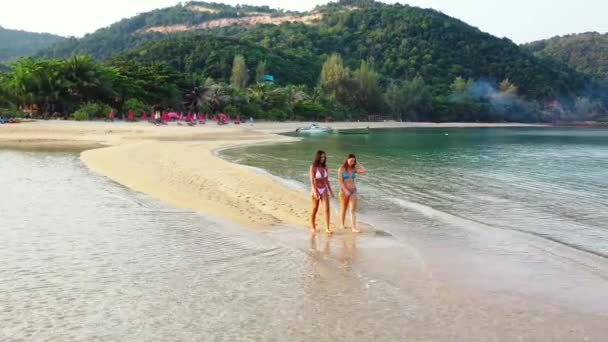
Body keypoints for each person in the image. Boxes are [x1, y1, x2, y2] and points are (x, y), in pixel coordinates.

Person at [338, 154, 367, 233]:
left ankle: (353, 227)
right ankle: (342, 224)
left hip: (353, 191)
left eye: (353, 161)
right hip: (344, 191)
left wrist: (358, 162)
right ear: (347, 160)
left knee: (352, 210)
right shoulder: (342, 169)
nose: (352, 162)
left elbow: (364, 170)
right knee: (344, 208)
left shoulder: (354, 169)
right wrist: (346, 190)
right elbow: (340, 182)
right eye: (351, 160)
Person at [310, 150, 335, 234]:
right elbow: (312, 181)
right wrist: (315, 191)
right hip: (315, 189)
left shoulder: (325, 167)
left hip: (324, 189)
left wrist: (331, 191)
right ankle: (313, 226)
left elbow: (327, 180)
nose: (323, 158)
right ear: (318, 157)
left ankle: (327, 228)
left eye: (324, 157)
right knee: (315, 208)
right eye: (321, 157)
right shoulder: (313, 167)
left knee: (327, 209)